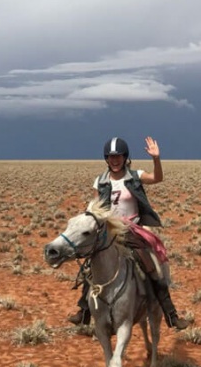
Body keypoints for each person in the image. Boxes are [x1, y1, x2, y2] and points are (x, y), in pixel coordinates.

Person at [67, 136, 190, 330]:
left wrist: (156, 159)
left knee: (152, 266)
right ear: (106, 159)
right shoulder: (100, 181)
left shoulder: (134, 176)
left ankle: (170, 314)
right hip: (109, 233)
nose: (115, 160)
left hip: (132, 229)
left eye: (119, 156)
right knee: (92, 266)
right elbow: (96, 207)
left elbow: (157, 178)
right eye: (111, 157)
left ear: (125, 157)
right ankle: (84, 311)